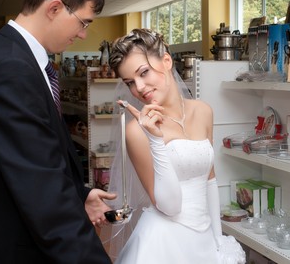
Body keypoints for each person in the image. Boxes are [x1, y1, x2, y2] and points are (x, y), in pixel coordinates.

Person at [0, 0, 116, 263]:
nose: (82, 34)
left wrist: (80, 194)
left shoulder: (12, 56)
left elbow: (35, 153)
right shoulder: (11, 69)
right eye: (83, 22)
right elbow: (42, 192)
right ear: (54, 8)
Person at [102, 28, 245, 263]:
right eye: (130, 82)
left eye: (144, 72)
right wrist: (156, 140)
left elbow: (209, 179)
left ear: (166, 61)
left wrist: (218, 241)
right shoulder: (136, 131)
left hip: (205, 239)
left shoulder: (203, 110)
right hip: (164, 244)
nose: (139, 87)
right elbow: (169, 206)